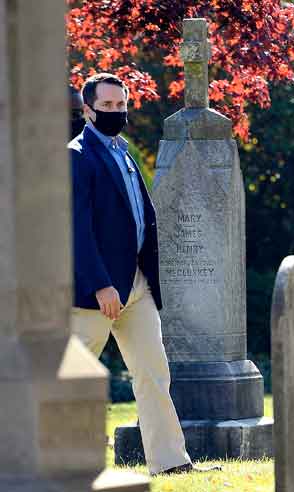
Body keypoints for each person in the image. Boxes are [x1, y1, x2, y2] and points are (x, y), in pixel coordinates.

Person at [69, 73, 218, 475]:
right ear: (87, 110)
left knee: (154, 374)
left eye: (121, 105)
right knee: (67, 382)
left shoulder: (123, 151)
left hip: (136, 286)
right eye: (107, 106)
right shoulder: (76, 155)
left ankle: (170, 463)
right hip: (93, 292)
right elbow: (75, 230)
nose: (116, 112)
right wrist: (101, 283)